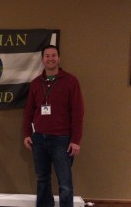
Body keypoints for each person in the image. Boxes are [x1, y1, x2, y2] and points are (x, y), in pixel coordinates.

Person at [23, 45, 84, 207]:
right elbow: (29, 111)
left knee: (64, 183)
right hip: (39, 139)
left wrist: (76, 140)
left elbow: (78, 113)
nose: (50, 59)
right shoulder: (36, 83)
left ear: (59, 58)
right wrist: (27, 134)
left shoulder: (71, 81)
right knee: (42, 179)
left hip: (62, 140)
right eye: (47, 56)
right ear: (42, 60)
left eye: (54, 55)